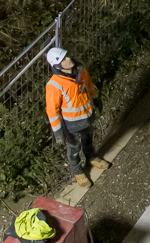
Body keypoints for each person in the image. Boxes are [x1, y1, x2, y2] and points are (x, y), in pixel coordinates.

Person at [44, 46, 109, 187]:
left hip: (87, 116)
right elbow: (52, 111)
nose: (68, 59)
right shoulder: (54, 85)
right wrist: (58, 132)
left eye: (66, 55)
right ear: (58, 66)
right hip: (71, 123)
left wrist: (96, 99)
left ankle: (91, 158)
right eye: (63, 59)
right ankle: (77, 172)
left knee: (88, 140)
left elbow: (89, 85)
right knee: (74, 149)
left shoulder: (81, 70)